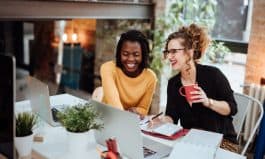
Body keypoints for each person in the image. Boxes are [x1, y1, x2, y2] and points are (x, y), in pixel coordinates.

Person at [160, 23, 238, 152]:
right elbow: (172, 117)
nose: (169, 56)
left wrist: (208, 102)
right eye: (168, 52)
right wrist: (163, 120)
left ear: (189, 51)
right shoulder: (174, 84)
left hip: (223, 143)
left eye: (174, 51)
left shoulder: (213, 75)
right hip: (193, 142)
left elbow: (232, 109)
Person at [100, 30, 157, 116]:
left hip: (129, 121)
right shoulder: (108, 68)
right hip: (106, 117)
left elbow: (144, 109)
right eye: (125, 54)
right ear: (119, 54)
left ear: (143, 55)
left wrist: (137, 111)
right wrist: (127, 115)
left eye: (136, 55)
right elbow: (114, 103)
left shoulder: (150, 77)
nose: (130, 59)